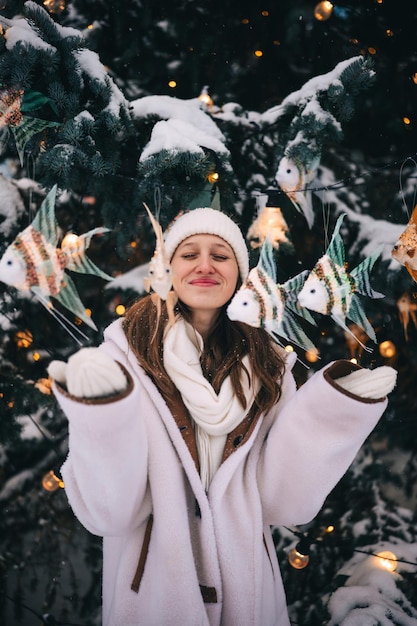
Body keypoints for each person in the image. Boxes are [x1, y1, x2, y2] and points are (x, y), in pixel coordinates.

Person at [48, 207, 397, 626]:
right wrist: (104, 415)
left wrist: (332, 414)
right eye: (189, 253)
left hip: (246, 589)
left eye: (221, 255)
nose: (205, 265)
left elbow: (283, 501)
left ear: (239, 272)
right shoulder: (122, 360)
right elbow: (108, 514)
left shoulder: (269, 366)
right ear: (168, 266)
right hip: (155, 592)